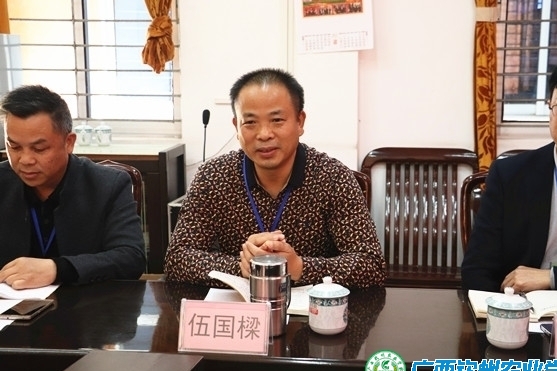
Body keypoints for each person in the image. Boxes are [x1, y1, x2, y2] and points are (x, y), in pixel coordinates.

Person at [164, 68, 386, 288]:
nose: (264, 134)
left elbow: (371, 264)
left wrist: (299, 267)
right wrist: (242, 267)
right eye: (250, 122)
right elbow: (177, 259)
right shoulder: (213, 177)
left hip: (311, 308)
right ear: (236, 127)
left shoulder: (333, 178)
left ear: (300, 121)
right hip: (241, 306)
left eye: (277, 120)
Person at [462, 52, 557, 300]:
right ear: (550, 108)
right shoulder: (509, 175)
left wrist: (553, 277)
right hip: (519, 312)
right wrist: (503, 314)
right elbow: (477, 269)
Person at [0, 85, 146, 289]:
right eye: (14, 147)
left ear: (69, 142)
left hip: (85, 303)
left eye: (39, 148)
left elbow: (131, 258)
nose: (25, 160)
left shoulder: (108, 185)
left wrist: (58, 269)